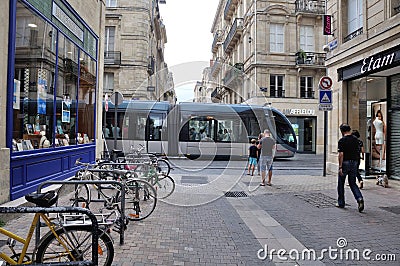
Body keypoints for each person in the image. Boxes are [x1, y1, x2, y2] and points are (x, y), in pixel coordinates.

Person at [337, 123, 364, 212]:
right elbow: (358, 152)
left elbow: (341, 154)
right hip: (354, 163)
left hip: (345, 163)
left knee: (341, 183)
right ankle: (359, 198)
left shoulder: (342, 140)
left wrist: (340, 166)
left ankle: (341, 202)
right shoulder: (356, 140)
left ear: (342, 131)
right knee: (352, 183)